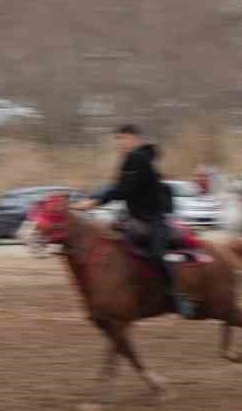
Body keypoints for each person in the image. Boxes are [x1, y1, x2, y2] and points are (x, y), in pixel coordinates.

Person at [81, 124, 195, 319]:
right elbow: (121, 188)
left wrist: (95, 202)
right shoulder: (130, 160)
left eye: (123, 138)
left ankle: (178, 296)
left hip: (154, 219)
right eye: (118, 139)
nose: (120, 143)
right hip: (134, 218)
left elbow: (124, 190)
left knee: (158, 254)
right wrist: (97, 198)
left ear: (136, 139)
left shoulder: (138, 159)